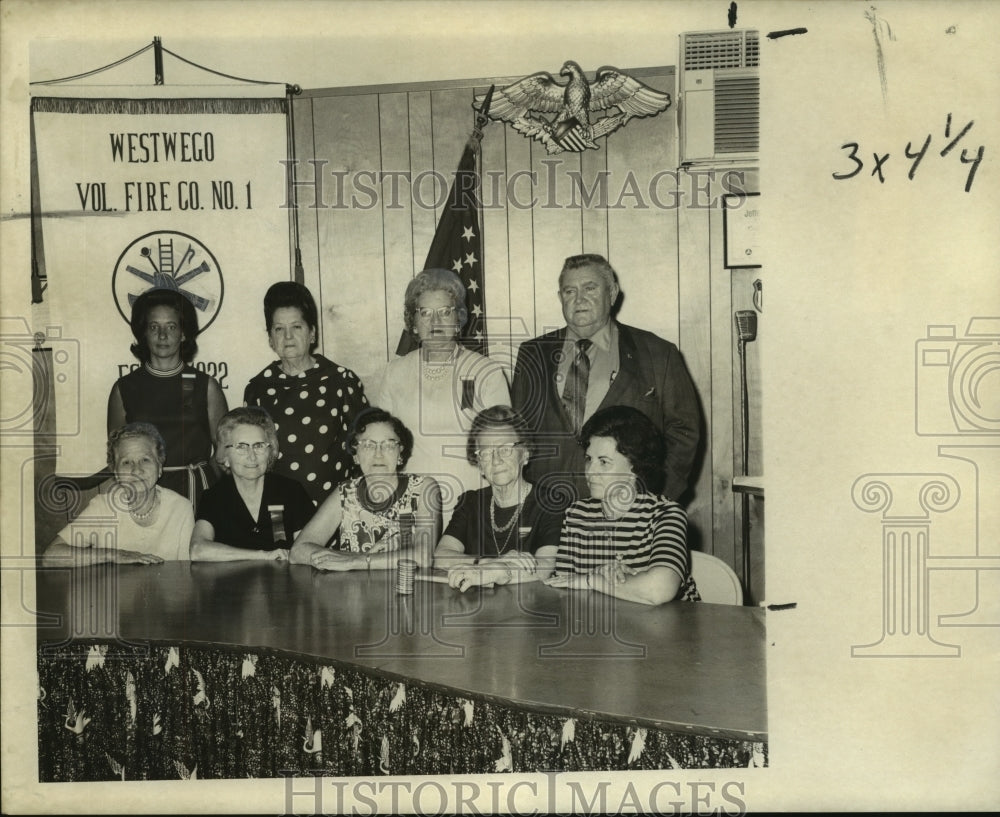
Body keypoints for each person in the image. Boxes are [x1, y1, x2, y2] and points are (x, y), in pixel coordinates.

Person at [510, 253, 700, 510]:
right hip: (548, 515)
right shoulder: (532, 354)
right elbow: (517, 435)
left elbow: (684, 432)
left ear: (612, 293)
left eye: (590, 288)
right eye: (569, 291)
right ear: (560, 298)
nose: (579, 299)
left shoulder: (657, 354)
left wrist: (654, 499)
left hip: (628, 512)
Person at [374, 268, 510, 524]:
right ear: (413, 322)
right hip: (410, 501)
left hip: (470, 501)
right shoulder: (395, 372)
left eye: (445, 312)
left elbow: (501, 445)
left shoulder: (485, 371)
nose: (435, 322)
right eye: (425, 313)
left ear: (458, 318)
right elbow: (382, 443)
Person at [544, 405, 700, 605]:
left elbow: (659, 591)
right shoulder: (577, 514)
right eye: (588, 459)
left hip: (672, 630)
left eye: (604, 462)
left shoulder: (666, 514)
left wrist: (594, 580)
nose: (590, 472)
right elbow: (563, 587)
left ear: (634, 467)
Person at [244, 281, 369, 504]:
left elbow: (365, 444)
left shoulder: (341, 381)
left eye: (297, 327)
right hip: (279, 508)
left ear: (312, 333)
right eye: (279, 329)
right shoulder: (258, 388)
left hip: (334, 508)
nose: (288, 337)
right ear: (271, 339)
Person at [107, 288, 228, 505]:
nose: (163, 336)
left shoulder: (205, 385)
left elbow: (224, 449)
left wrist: (205, 482)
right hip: (144, 492)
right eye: (154, 327)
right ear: (143, 333)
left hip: (196, 493)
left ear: (183, 333)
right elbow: (116, 455)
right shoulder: (124, 388)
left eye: (171, 327)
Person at [289, 408, 441, 570]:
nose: (378, 454)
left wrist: (356, 561)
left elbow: (423, 557)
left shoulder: (424, 488)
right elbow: (298, 551)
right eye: (368, 445)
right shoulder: (345, 492)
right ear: (356, 454)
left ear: (400, 453)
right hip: (352, 593)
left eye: (388, 445)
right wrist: (364, 558)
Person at [434, 406, 562, 592]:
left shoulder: (550, 502)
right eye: (486, 452)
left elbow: (546, 566)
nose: (496, 460)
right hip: (471, 607)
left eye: (505, 449)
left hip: (529, 612)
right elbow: (441, 556)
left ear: (525, 454)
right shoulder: (470, 502)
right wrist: (487, 562)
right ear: (479, 464)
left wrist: (497, 572)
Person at [42, 423, 194, 565]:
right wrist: (114, 555)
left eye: (145, 460)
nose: (136, 470)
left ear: (160, 467)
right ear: (116, 472)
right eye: (126, 462)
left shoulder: (181, 509)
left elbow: (187, 574)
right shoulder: (103, 507)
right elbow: (51, 556)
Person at [190, 407, 316, 562]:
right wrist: (262, 556)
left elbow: (310, 549)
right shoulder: (214, 497)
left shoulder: (291, 491)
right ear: (225, 456)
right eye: (241, 447)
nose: (252, 456)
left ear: (270, 453)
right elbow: (197, 550)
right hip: (230, 584)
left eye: (259, 446)